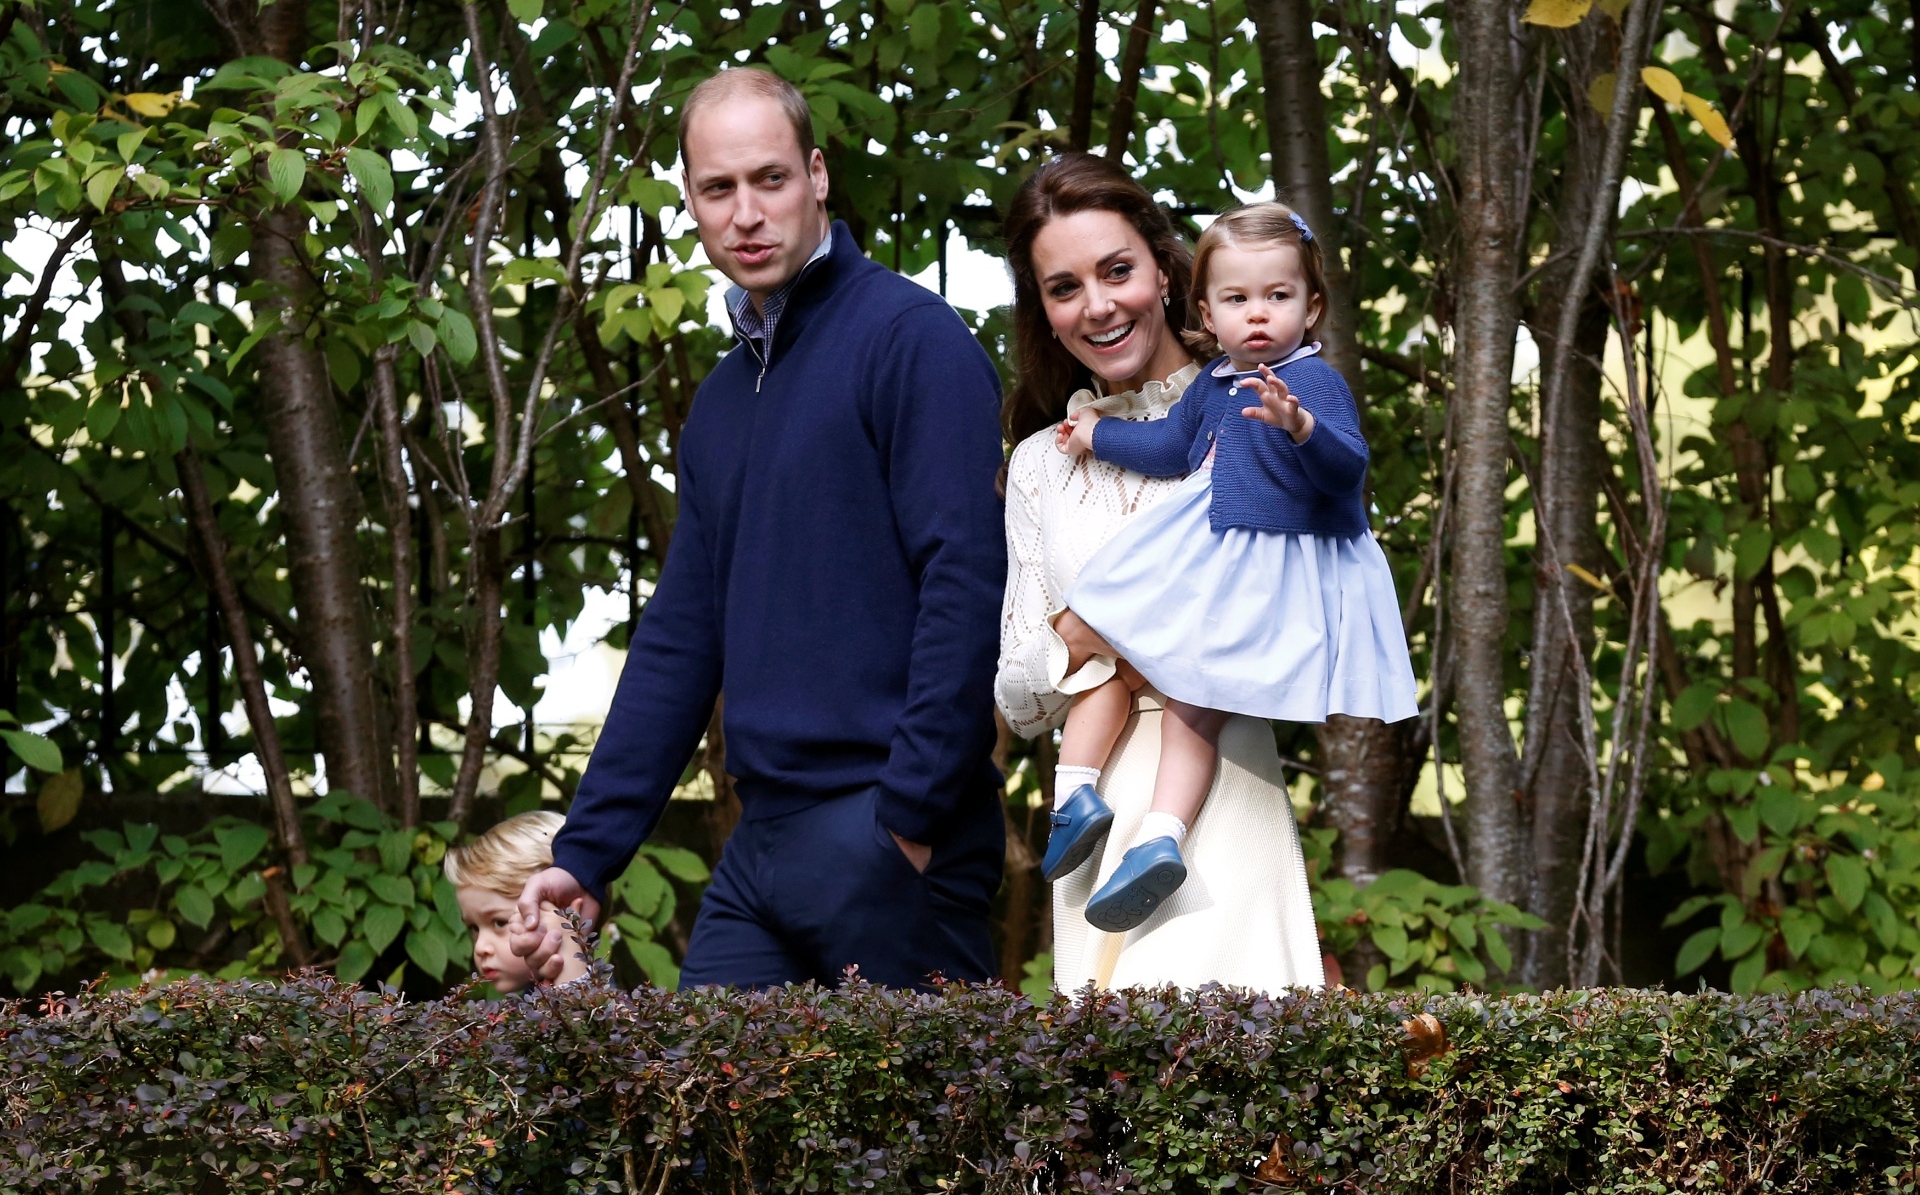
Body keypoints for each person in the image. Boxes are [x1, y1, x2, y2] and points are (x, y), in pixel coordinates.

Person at [511, 68, 1008, 990]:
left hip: (892, 832)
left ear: (817, 177)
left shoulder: (912, 339)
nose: (747, 213)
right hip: (764, 846)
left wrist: (909, 820)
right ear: (693, 204)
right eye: (718, 188)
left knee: (933, 1132)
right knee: (707, 1123)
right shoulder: (723, 399)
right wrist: (588, 854)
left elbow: (968, 582)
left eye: (770, 179)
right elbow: (680, 636)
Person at [996, 154, 1323, 993]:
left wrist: (1133, 630)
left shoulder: (1255, 406)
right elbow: (1018, 697)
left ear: (1166, 273)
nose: (1098, 305)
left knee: (1225, 1061)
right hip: (1092, 800)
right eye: (1065, 287)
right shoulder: (1040, 465)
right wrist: (1084, 630)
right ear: (1044, 309)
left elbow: (1302, 612)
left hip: (1221, 764)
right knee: (1112, 1090)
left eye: (1117, 271)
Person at [1048, 201, 1419, 934]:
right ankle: (1119, 819)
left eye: (1278, 297)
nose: (1258, 316)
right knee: (1151, 679)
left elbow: (1347, 472)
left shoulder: (1310, 383)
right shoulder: (1214, 381)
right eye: (1236, 299)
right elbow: (1165, 451)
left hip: (1263, 572)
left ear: (1311, 307)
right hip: (1216, 552)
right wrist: (1097, 433)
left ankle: (1114, 814)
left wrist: (1300, 427)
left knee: (1148, 672)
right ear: (1207, 314)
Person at [443, 811, 590, 993]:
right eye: (474, 928)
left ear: (568, 915)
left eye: (500, 922)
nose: (481, 947)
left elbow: (581, 1020)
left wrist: (569, 959)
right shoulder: (525, 1005)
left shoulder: (603, 1000)